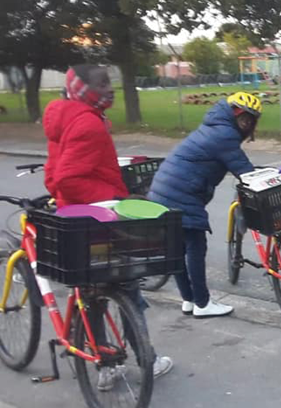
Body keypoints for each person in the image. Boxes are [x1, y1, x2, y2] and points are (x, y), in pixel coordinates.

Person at [42, 64, 174, 388]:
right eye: (102, 83)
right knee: (125, 286)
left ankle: (104, 367)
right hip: (98, 221)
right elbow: (68, 177)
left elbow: (53, 175)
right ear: (83, 88)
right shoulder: (88, 123)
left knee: (91, 293)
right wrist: (116, 199)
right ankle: (148, 360)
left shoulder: (66, 117)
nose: (110, 88)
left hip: (75, 220)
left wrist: (64, 200)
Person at [148, 92, 259, 318]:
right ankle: (203, 303)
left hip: (163, 190)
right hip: (179, 194)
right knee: (196, 246)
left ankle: (189, 300)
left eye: (251, 120)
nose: (246, 124)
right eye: (244, 118)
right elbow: (245, 172)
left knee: (178, 248)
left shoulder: (214, 127)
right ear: (233, 114)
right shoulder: (224, 135)